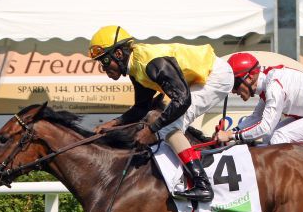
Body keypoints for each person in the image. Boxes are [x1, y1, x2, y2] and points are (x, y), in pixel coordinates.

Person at [88, 25, 233, 202]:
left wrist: (150, 131)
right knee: (162, 124)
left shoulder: (150, 63)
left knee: (169, 126)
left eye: (103, 61)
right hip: (202, 79)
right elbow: (142, 107)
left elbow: (182, 100)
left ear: (118, 54)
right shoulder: (135, 67)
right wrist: (113, 123)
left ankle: (202, 184)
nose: (103, 69)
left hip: (216, 76)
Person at [215, 52, 303, 147]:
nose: (233, 91)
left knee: (278, 137)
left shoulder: (274, 87)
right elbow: (256, 117)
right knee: (270, 138)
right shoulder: (267, 83)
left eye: (235, 85)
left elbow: (265, 128)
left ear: (249, 78)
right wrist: (230, 132)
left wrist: (232, 136)